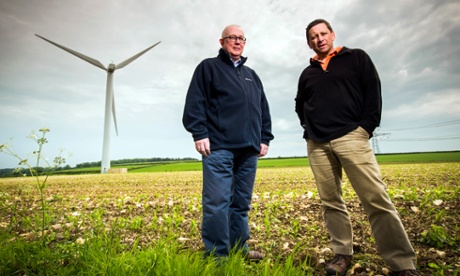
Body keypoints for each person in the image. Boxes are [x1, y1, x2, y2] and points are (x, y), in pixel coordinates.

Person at [295, 19, 420, 276]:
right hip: (318, 144)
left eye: (322, 33)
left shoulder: (356, 58)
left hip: (351, 137)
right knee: (330, 201)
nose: (319, 39)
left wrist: (365, 128)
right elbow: (300, 104)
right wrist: (309, 129)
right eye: (313, 36)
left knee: (376, 199)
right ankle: (342, 253)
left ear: (332, 34)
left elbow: (373, 92)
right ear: (309, 43)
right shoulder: (307, 73)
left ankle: (402, 264)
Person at [183, 24, 274, 260]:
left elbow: (262, 108)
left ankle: (239, 248)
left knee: (240, 204)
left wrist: (264, 138)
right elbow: (195, 102)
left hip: (249, 150)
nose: (237, 42)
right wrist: (199, 133)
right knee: (216, 204)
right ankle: (217, 256)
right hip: (219, 148)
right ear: (221, 41)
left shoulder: (251, 75)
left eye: (241, 38)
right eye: (232, 38)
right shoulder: (208, 67)